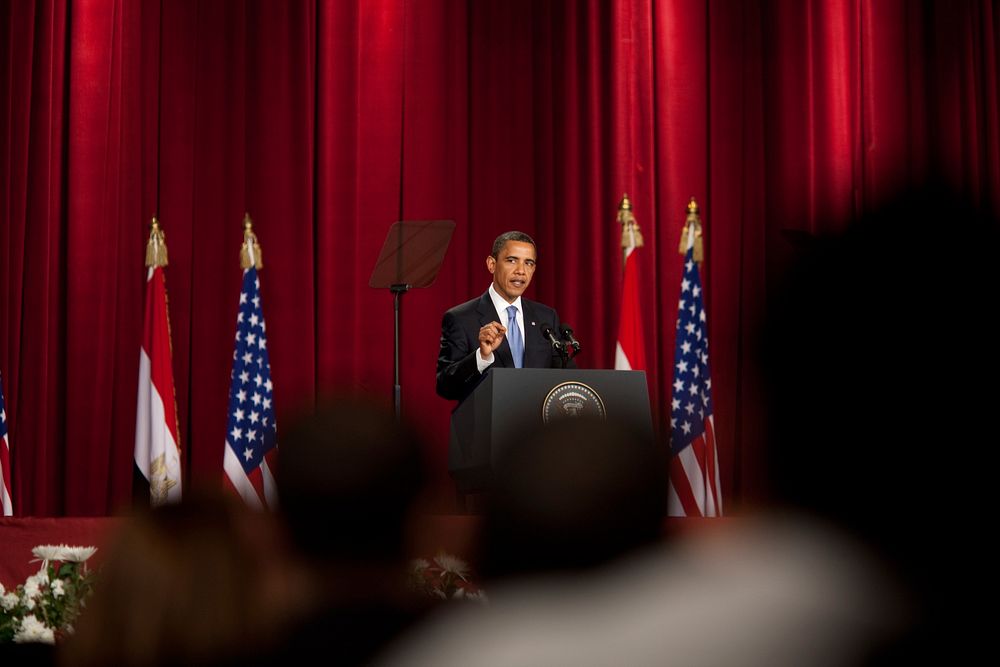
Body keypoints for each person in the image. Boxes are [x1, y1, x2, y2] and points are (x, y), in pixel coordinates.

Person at [436, 231, 573, 403]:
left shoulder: (546, 317)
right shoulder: (461, 318)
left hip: (537, 425)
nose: (521, 271)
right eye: (512, 260)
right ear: (492, 264)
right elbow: (445, 386)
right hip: (487, 426)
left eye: (528, 263)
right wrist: (482, 356)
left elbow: (564, 377)